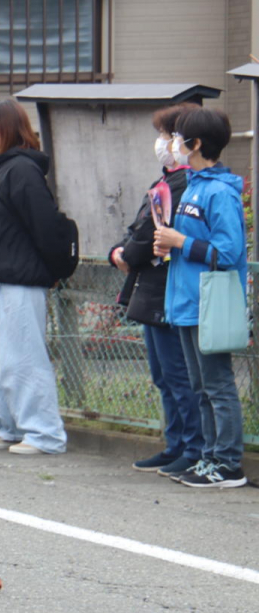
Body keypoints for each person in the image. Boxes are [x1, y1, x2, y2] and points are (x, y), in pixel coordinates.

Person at [153, 107, 249, 488]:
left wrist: (181, 242)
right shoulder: (193, 184)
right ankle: (211, 458)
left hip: (209, 304)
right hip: (188, 303)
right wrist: (171, 245)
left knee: (218, 386)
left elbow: (229, 252)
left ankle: (227, 464)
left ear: (195, 144)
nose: (172, 144)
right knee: (202, 387)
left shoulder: (219, 192)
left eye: (177, 138)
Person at [0, 100, 67, 455]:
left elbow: (46, 226)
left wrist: (54, 270)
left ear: (11, 128)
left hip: (19, 281)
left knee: (21, 359)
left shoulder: (21, 170)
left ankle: (44, 433)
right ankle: (9, 427)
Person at [109, 103, 204, 477]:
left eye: (167, 135)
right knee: (165, 375)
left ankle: (191, 447)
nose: (161, 142)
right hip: (152, 288)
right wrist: (120, 250)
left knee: (178, 375)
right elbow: (140, 227)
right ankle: (176, 443)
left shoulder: (184, 184)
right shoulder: (166, 181)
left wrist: (125, 254)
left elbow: (148, 234)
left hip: (167, 288)